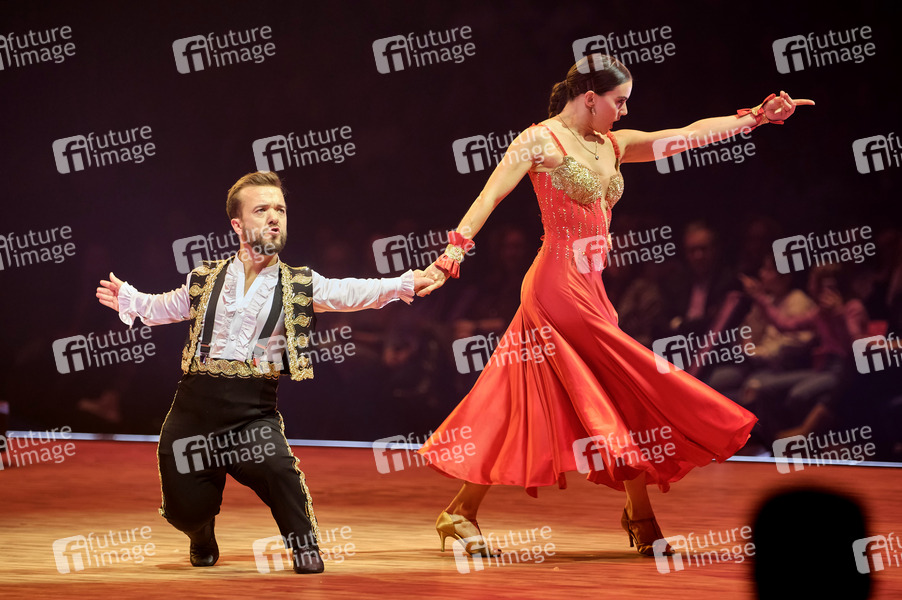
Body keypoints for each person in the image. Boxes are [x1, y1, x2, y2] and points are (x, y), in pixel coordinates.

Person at [415, 53, 813, 557]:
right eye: (618, 101)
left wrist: (754, 117)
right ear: (590, 98)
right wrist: (452, 252)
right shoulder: (540, 140)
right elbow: (489, 196)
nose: (624, 112)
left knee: (542, 396)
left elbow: (685, 135)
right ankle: (641, 518)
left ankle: (462, 512)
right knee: (623, 385)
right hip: (555, 286)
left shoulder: (613, 144)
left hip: (593, 288)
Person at [96, 171, 432, 574]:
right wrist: (131, 299)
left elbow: (351, 292)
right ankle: (201, 533)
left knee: (278, 470)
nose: (274, 217)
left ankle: (304, 545)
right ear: (237, 225)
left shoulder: (299, 283)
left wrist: (405, 283)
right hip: (193, 413)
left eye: (280, 210)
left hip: (251, 415)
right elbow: (164, 307)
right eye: (262, 210)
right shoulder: (205, 278)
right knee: (185, 510)